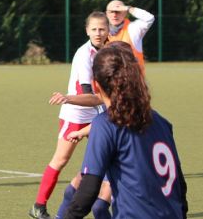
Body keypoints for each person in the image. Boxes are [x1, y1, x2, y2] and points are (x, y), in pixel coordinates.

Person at [63, 45, 188, 219]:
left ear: (96, 85)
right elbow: (180, 186)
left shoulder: (105, 124)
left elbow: (88, 190)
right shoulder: (160, 121)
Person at [28, 11, 109, 219]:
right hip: (76, 113)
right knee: (61, 158)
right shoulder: (84, 55)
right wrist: (68, 98)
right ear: (87, 30)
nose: (98, 33)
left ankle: (103, 205)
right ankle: (39, 206)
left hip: (98, 112)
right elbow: (87, 95)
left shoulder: (111, 49)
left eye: (102, 28)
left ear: (108, 29)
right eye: (94, 29)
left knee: (107, 159)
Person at [106, 0, 155, 72]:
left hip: (133, 80)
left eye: (118, 11)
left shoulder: (133, 28)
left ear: (125, 13)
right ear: (106, 14)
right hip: (111, 80)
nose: (114, 15)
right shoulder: (101, 31)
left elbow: (149, 18)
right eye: (111, 12)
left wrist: (128, 8)